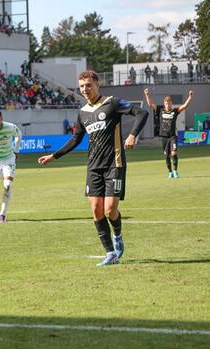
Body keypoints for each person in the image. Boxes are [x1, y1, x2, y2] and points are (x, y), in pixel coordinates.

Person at [38, 70, 149, 267]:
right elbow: (75, 139)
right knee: (96, 210)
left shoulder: (112, 103)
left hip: (114, 164)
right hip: (93, 167)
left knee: (109, 210)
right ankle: (110, 253)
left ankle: (117, 235)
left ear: (97, 84)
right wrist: (53, 156)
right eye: (82, 86)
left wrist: (132, 135)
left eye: (88, 85)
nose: (85, 89)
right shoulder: (83, 113)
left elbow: (142, 112)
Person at [144, 87, 194, 179]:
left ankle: (175, 171)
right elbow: (150, 104)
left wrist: (190, 97)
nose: (168, 105)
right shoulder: (160, 111)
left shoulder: (175, 111)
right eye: (166, 103)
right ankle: (170, 172)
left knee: (174, 153)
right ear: (164, 104)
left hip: (172, 136)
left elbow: (184, 106)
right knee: (167, 155)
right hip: (164, 137)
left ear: (171, 104)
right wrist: (147, 95)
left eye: (169, 103)